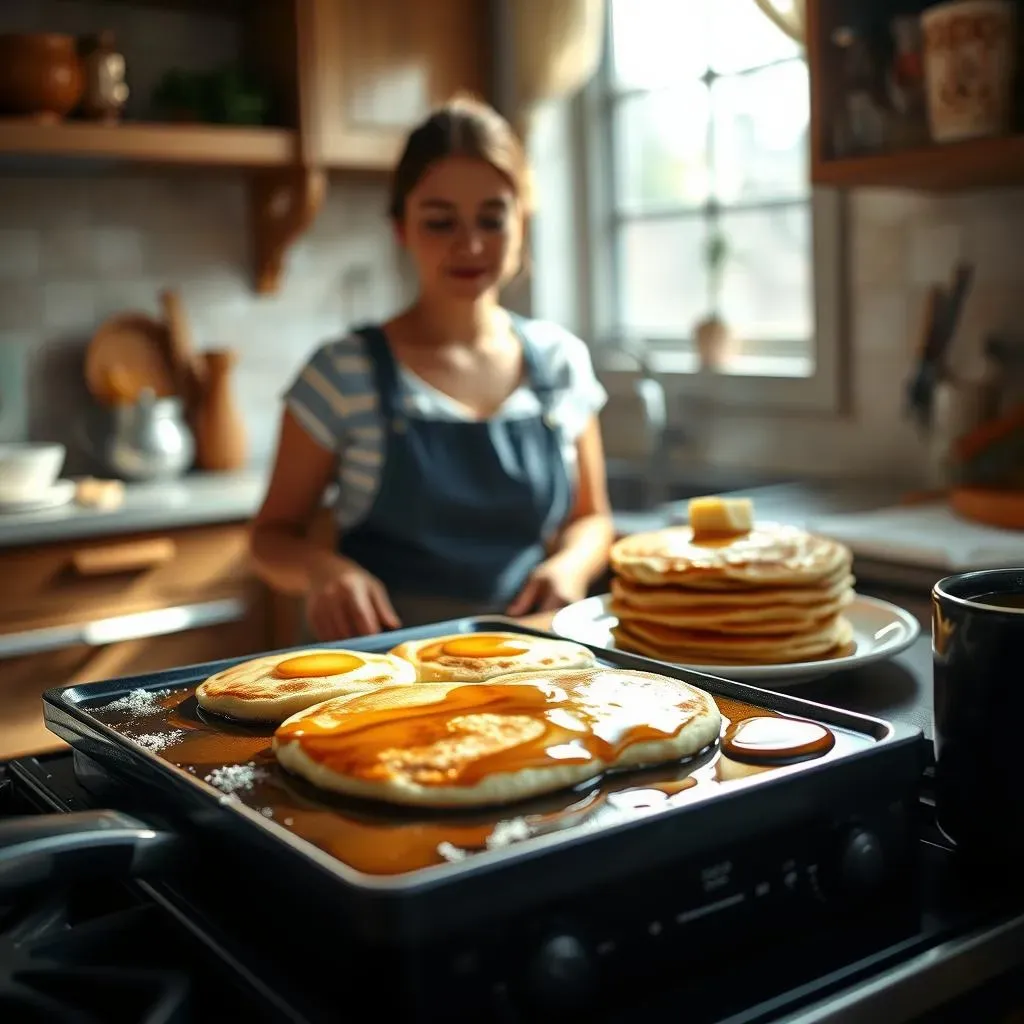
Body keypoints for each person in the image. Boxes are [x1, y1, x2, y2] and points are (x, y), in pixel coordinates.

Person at [250, 95, 614, 640]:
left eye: (492, 219)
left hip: (534, 661)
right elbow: (270, 538)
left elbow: (592, 518)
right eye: (440, 222)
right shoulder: (342, 374)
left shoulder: (561, 362)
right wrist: (323, 570)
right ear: (401, 228)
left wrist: (571, 566)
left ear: (522, 221)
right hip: (385, 675)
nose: (469, 244)